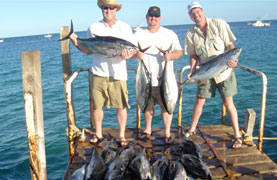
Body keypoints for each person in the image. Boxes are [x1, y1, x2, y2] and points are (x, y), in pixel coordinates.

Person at [69, 0, 134, 146]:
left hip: (119, 74)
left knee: (121, 106)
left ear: (116, 9)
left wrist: (126, 55)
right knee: (97, 106)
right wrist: (74, 40)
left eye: (112, 7)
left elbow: (130, 52)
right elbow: (87, 50)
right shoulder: (94, 27)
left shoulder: (124, 27)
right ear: (102, 9)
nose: (108, 10)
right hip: (98, 72)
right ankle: (98, 134)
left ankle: (121, 135)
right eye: (105, 7)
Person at [184, 1, 242, 148]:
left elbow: (230, 46)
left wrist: (234, 60)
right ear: (190, 17)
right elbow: (193, 55)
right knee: (199, 101)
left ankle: (237, 136)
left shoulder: (218, 24)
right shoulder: (191, 33)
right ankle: (192, 129)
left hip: (224, 72)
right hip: (205, 71)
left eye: (197, 11)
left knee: (229, 103)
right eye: (192, 13)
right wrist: (192, 71)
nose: (196, 15)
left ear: (203, 11)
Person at [135, 6, 182, 142]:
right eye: (151, 16)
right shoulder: (139, 34)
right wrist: (136, 54)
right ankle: (148, 129)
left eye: (156, 16)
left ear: (160, 18)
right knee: (147, 107)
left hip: (165, 80)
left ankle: (167, 132)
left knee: (166, 107)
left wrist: (170, 56)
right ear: (146, 17)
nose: (153, 19)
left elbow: (179, 52)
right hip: (146, 79)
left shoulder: (169, 34)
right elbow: (129, 53)